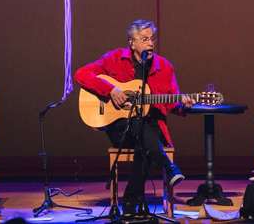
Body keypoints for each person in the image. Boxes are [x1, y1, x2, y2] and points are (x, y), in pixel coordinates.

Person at [75, 19, 192, 213]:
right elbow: (81, 74)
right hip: (120, 128)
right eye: (144, 39)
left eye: (152, 39)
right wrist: (110, 90)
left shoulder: (164, 67)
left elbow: (173, 104)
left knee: (144, 137)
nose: (150, 43)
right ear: (132, 42)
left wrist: (184, 104)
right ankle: (168, 166)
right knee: (140, 128)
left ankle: (130, 203)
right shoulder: (114, 58)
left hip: (151, 128)